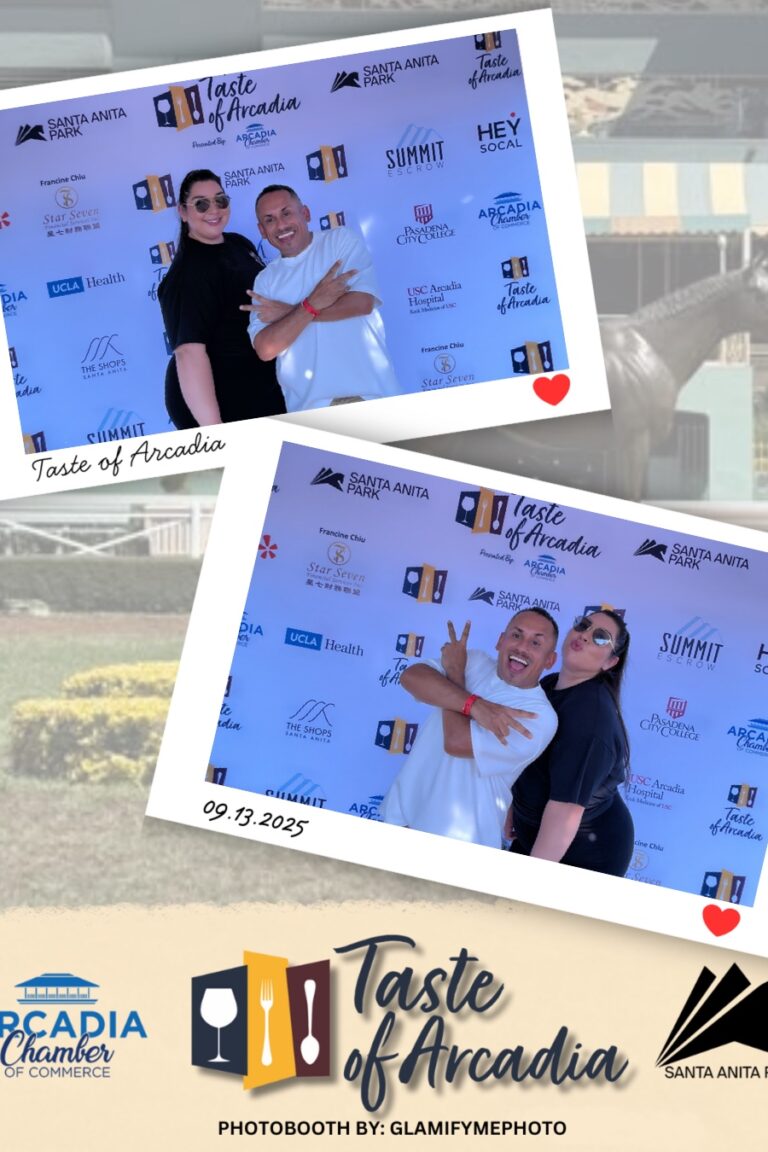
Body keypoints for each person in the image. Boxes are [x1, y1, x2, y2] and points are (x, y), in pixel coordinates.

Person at [380, 611, 559, 848]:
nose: (522, 647)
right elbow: (411, 677)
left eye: (536, 642)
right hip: (400, 822)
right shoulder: (473, 661)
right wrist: (475, 705)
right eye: (516, 635)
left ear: (549, 660)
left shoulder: (539, 715)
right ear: (500, 640)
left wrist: (455, 676)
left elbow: (457, 742)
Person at [242, 184, 400, 411]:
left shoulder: (340, 242)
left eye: (286, 213)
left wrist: (288, 313)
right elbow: (266, 348)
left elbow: (362, 303)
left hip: (373, 398)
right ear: (262, 231)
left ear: (305, 213)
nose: (281, 225)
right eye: (270, 220)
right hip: (310, 412)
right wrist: (313, 302)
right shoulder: (265, 281)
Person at [508, 609, 635, 877]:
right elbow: (530, 759)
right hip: (537, 833)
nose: (585, 636)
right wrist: (514, 808)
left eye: (600, 638)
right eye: (583, 625)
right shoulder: (550, 684)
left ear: (610, 662)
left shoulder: (590, 719)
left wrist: (526, 882)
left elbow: (565, 813)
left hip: (585, 857)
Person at [158, 168, 286, 428]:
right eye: (201, 204)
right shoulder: (187, 275)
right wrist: (216, 433)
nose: (213, 210)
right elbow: (189, 355)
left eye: (220, 200)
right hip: (223, 402)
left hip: (259, 386)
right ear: (183, 212)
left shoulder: (238, 243)